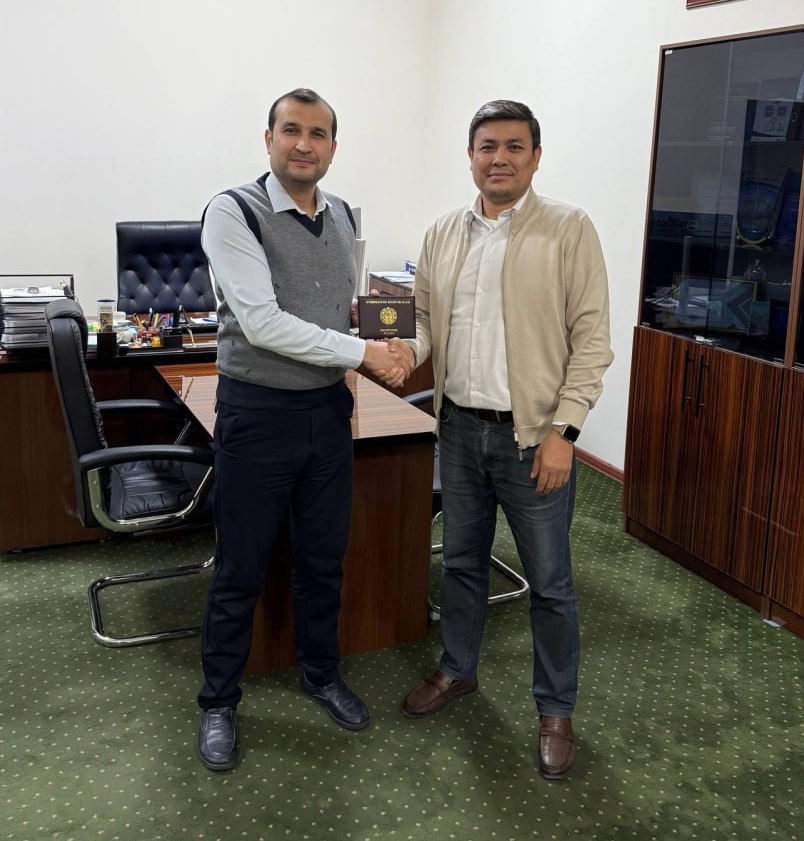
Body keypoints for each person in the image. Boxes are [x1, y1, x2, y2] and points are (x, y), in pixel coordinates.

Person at [196, 88, 412, 772]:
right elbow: (261, 323)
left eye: (318, 134)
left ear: (333, 148)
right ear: (269, 139)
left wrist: (389, 338)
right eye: (291, 130)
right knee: (241, 567)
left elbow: (342, 308)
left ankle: (320, 673)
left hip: (326, 412)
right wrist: (364, 353)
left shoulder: (343, 214)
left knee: (323, 560)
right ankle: (218, 700)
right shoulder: (233, 211)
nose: (304, 144)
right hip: (257, 414)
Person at [397, 99, 613, 780]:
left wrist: (564, 431)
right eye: (487, 146)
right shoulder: (442, 232)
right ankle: (457, 668)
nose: (499, 158)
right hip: (460, 429)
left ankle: (555, 709)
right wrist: (405, 351)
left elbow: (593, 342)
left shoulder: (569, 229)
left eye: (514, 147)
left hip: (533, 438)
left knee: (550, 582)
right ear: (470, 156)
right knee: (462, 562)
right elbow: (425, 323)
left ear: (535, 158)